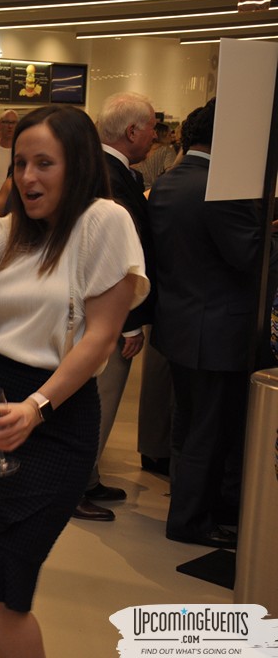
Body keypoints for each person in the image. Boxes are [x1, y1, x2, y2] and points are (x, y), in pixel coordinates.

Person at [0, 105, 148, 658]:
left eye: (44, 163)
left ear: (78, 164)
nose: (27, 177)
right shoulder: (12, 227)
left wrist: (37, 406)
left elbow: (101, 337)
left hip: (55, 416)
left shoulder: (105, 221)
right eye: (20, 164)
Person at [149, 99, 262, 549]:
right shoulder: (220, 187)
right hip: (216, 327)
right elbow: (248, 256)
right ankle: (192, 520)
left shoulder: (169, 181)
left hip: (180, 321)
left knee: (190, 424)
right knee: (210, 430)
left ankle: (189, 506)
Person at [74, 91, 158, 522]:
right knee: (98, 403)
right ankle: (75, 486)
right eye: (152, 128)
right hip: (109, 315)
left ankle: (87, 478)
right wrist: (131, 322)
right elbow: (121, 258)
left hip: (99, 312)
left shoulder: (102, 170)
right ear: (132, 131)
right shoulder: (112, 178)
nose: (156, 136)